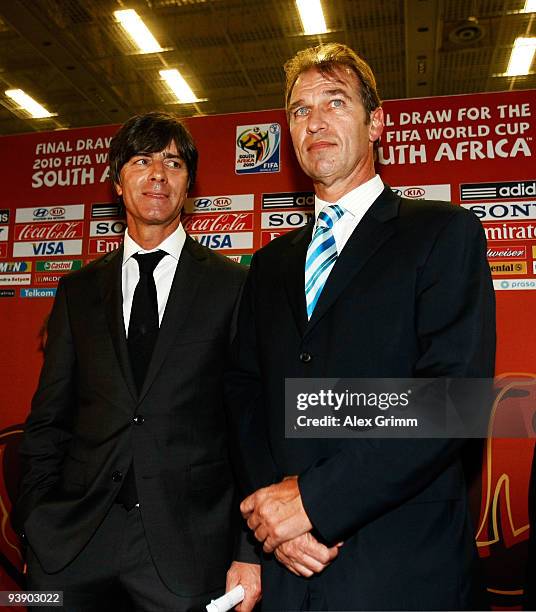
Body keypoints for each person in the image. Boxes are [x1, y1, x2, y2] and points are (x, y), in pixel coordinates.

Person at [226, 43, 496, 610]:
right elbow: (246, 397)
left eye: (334, 102)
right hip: (286, 572)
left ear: (376, 124)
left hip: (400, 572)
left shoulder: (443, 235)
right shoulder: (270, 264)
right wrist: (268, 521)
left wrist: (315, 502)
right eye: (300, 110)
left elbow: (453, 400)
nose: (315, 122)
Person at [13, 112, 261, 611]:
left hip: (186, 550)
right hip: (73, 547)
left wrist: (247, 550)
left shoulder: (232, 287)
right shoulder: (77, 291)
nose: (157, 174)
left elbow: (250, 428)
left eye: (172, 162)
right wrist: (34, 522)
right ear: (116, 179)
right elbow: (48, 419)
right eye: (141, 160)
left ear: (188, 183)